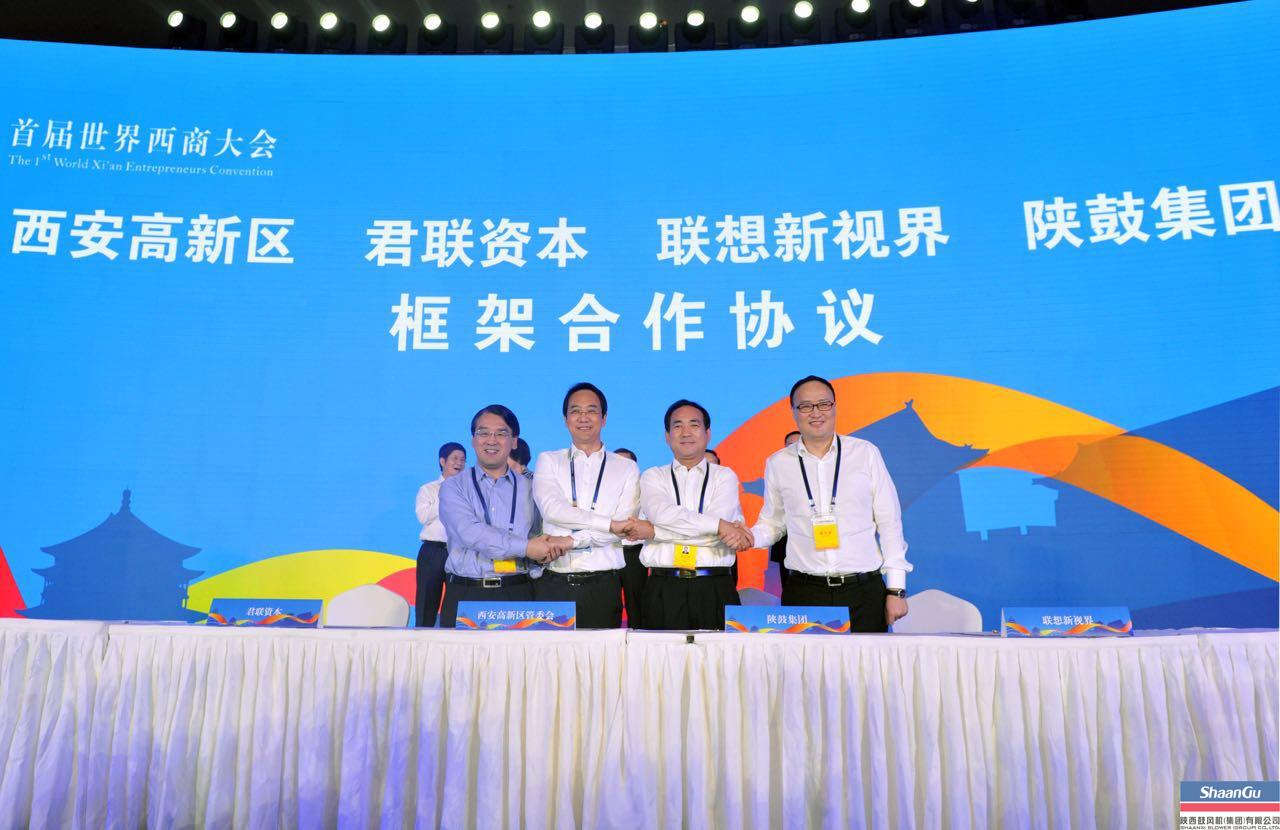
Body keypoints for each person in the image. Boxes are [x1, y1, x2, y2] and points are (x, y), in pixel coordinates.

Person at [747, 375, 911, 632]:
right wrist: (749, 537)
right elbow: (773, 523)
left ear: (834, 407)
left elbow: (889, 523)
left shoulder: (865, 453)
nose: (816, 412)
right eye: (805, 406)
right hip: (804, 592)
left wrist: (896, 589)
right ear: (793, 411)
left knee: (865, 660)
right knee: (805, 661)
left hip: (863, 591)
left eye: (824, 404)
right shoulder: (778, 463)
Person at [437, 405, 573, 628]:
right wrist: (527, 548)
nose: (491, 440)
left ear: (514, 441)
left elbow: (539, 536)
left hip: (517, 594)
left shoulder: (532, 488)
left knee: (519, 653)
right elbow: (469, 532)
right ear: (473, 440)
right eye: (483, 433)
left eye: (501, 433)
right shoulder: (453, 487)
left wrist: (543, 553)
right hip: (466, 594)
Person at [630, 400, 750, 630]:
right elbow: (663, 514)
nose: (685, 432)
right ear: (667, 436)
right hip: (664, 587)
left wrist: (654, 532)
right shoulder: (653, 476)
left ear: (707, 434)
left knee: (720, 654)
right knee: (660, 654)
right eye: (677, 426)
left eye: (694, 425)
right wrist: (719, 527)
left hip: (714, 586)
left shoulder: (724, 476)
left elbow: (716, 531)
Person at [532, 382, 642, 629]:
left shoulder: (626, 467)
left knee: (602, 654)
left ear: (604, 418)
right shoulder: (549, 460)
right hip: (554, 583)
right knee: (551, 654)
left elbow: (622, 529)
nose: (583, 417)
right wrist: (609, 524)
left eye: (591, 410)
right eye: (575, 411)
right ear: (565, 419)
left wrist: (570, 541)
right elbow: (552, 510)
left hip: (602, 586)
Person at [414, 441, 466, 627]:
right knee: (427, 600)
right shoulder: (428, 489)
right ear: (442, 461)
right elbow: (423, 516)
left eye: (463, 459)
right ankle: (421, 639)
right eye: (455, 458)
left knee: (455, 601)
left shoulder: (469, 490)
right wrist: (447, 494)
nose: (459, 463)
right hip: (433, 551)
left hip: (459, 551)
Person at [614, 448, 647, 629]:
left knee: (637, 601)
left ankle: (639, 637)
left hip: (633, 552)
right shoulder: (601, 492)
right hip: (609, 551)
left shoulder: (645, 490)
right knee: (609, 601)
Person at [769, 430, 803, 588]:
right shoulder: (777, 469)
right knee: (788, 583)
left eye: (798, 444)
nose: (795, 448)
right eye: (790, 445)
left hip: (815, 536)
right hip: (786, 536)